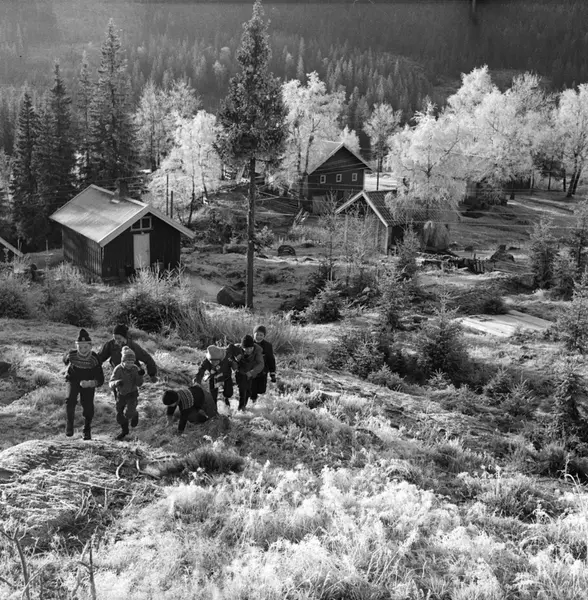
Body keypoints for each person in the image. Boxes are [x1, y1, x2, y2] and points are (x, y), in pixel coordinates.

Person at [98, 324, 158, 426]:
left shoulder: (133, 346)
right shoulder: (110, 345)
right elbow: (99, 358)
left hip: (132, 375)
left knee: (131, 399)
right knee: (119, 402)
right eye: (114, 338)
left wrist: (152, 374)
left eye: (119, 338)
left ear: (124, 337)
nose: (116, 341)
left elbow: (147, 358)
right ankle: (124, 426)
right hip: (118, 375)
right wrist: (90, 369)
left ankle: (133, 413)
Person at [63, 328, 105, 440]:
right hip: (73, 380)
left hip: (88, 382)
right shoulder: (72, 355)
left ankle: (87, 429)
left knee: (88, 406)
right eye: (80, 347)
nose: (83, 350)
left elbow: (100, 379)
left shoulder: (94, 358)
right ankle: (69, 425)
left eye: (85, 347)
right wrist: (66, 358)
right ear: (76, 346)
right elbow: (65, 359)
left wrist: (91, 383)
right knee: (70, 400)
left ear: (90, 346)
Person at [109, 346, 144, 440]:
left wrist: (140, 376)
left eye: (132, 362)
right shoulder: (118, 369)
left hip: (132, 393)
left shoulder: (135, 369)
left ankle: (134, 414)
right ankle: (124, 431)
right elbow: (110, 383)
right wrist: (116, 383)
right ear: (123, 361)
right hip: (121, 394)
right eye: (127, 362)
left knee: (129, 413)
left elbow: (139, 384)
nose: (130, 364)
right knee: (119, 416)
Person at [231, 334, 264, 411]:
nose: (249, 350)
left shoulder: (257, 350)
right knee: (243, 389)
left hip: (250, 372)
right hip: (240, 371)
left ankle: (244, 406)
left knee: (248, 391)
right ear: (242, 347)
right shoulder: (236, 349)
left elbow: (261, 364)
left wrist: (252, 372)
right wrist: (235, 361)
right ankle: (241, 408)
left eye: (250, 348)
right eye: (246, 348)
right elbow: (228, 357)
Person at [250, 325, 276, 403]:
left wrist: (272, 373)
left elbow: (271, 359)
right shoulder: (249, 344)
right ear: (253, 334)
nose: (259, 337)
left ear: (264, 336)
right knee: (252, 391)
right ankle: (252, 403)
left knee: (261, 390)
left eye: (261, 335)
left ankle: (258, 402)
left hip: (263, 371)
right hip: (251, 371)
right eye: (257, 334)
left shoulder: (268, 346)